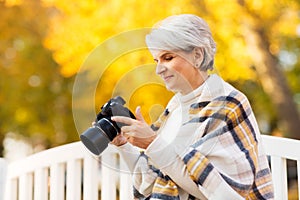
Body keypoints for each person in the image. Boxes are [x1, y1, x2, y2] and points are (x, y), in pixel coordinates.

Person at [111, 14, 274, 199]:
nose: (159, 69)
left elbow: (220, 193)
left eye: (168, 57)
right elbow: (152, 182)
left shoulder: (228, 103)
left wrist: (153, 144)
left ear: (197, 55)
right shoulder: (174, 108)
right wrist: (124, 145)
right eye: (157, 61)